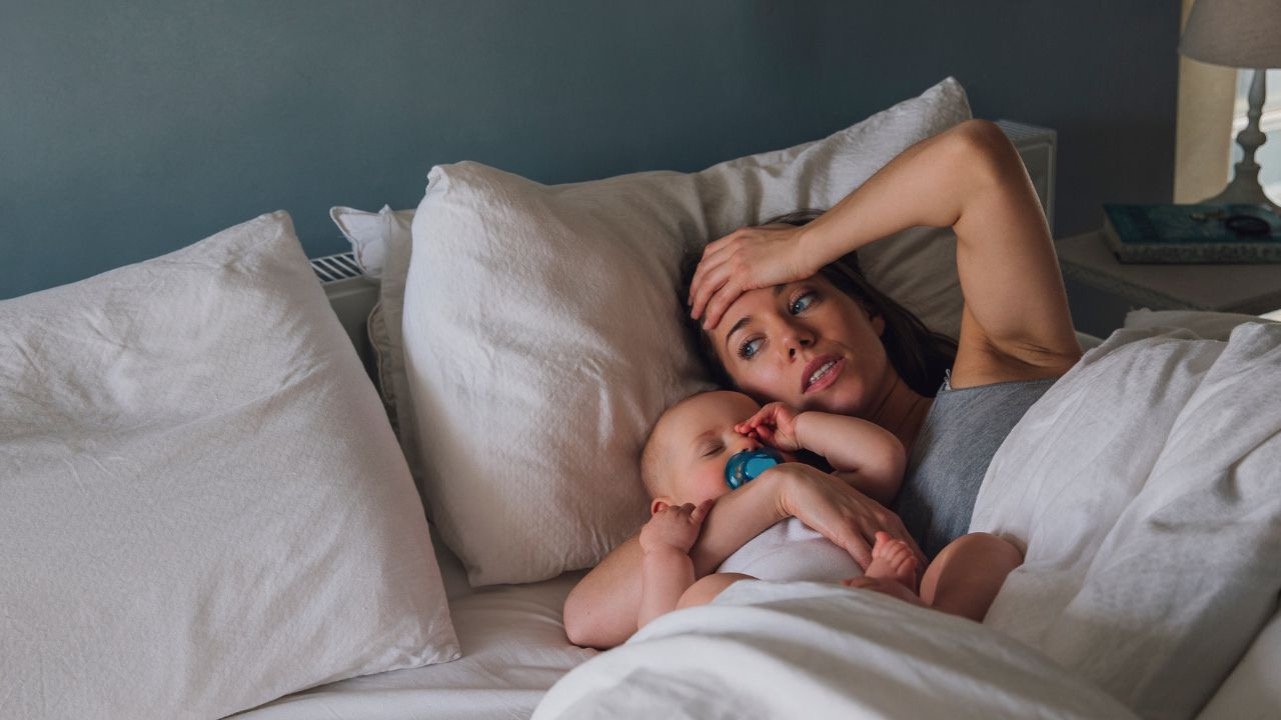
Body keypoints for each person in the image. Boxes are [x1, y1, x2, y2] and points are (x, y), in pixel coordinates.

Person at [565, 119, 1081, 649]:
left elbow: (976, 158)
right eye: (751, 345)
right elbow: (587, 615)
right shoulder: (804, 513)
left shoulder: (1005, 360)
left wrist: (803, 247)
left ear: (869, 310)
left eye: (803, 298)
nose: (791, 337)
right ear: (747, 401)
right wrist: (781, 491)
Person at [636, 389, 1021, 631]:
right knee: (704, 597)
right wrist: (664, 550)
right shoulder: (699, 553)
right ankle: (870, 607)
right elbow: (658, 636)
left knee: (982, 549)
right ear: (665, 507)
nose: (744, 447)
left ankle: (938, 624)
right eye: (712, 449)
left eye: (751, 432)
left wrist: (799, 428)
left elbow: (882, 457)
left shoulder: (828, 493)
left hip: (893, 615)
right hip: (785, 638)